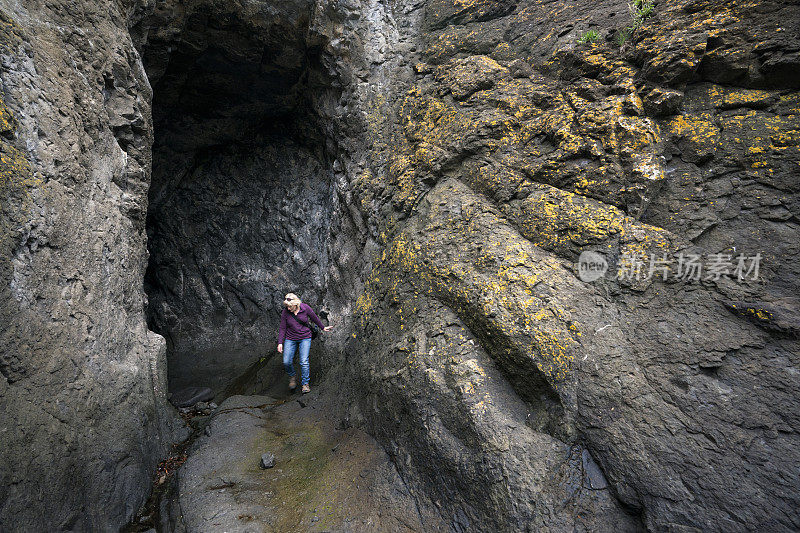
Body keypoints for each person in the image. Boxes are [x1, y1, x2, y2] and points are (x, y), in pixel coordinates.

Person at [277, 293, 332, 393]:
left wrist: (323, 327)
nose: (288, 309)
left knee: (304, 361)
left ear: (296, 304)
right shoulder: (285, 312)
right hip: (291, 338)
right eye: (287, 307)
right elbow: (282, 328)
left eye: (290, 307)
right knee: (286, 361)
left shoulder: (305, 308)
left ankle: (305, 384)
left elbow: (315, 318)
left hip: (305, 337)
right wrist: (280, 342)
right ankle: (292, 376)